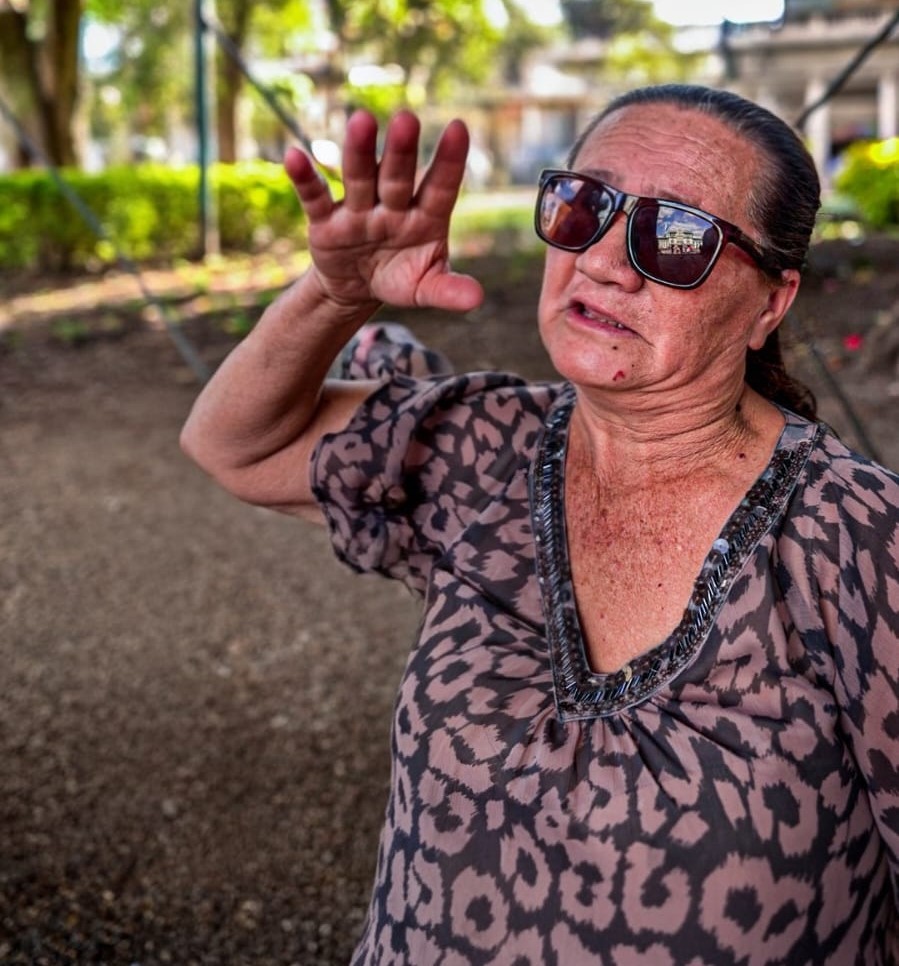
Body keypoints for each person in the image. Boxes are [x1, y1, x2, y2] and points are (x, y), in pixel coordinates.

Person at [180, 84, 899, 964]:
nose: (602, 262)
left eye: (675, 236)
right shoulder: (483, 445)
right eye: (584, 206)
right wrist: (336, 295)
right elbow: (234, 448)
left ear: (769, 305)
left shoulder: (861, 542)